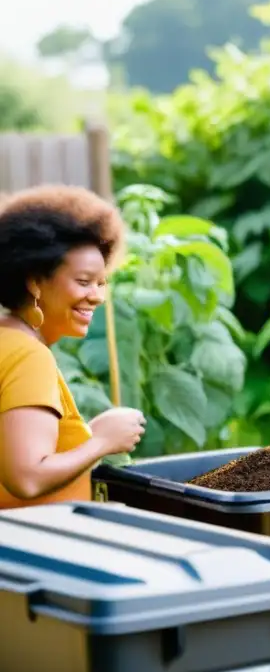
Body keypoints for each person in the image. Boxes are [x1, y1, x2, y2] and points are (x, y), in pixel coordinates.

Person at [0, 185, 147, 509]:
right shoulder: (28, 355)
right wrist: (100, 442)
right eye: (83, 281)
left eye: (101, 282)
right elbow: (26, 477)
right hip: (37, 548)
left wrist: (89, 434)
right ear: (35, 281)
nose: (97, 296)